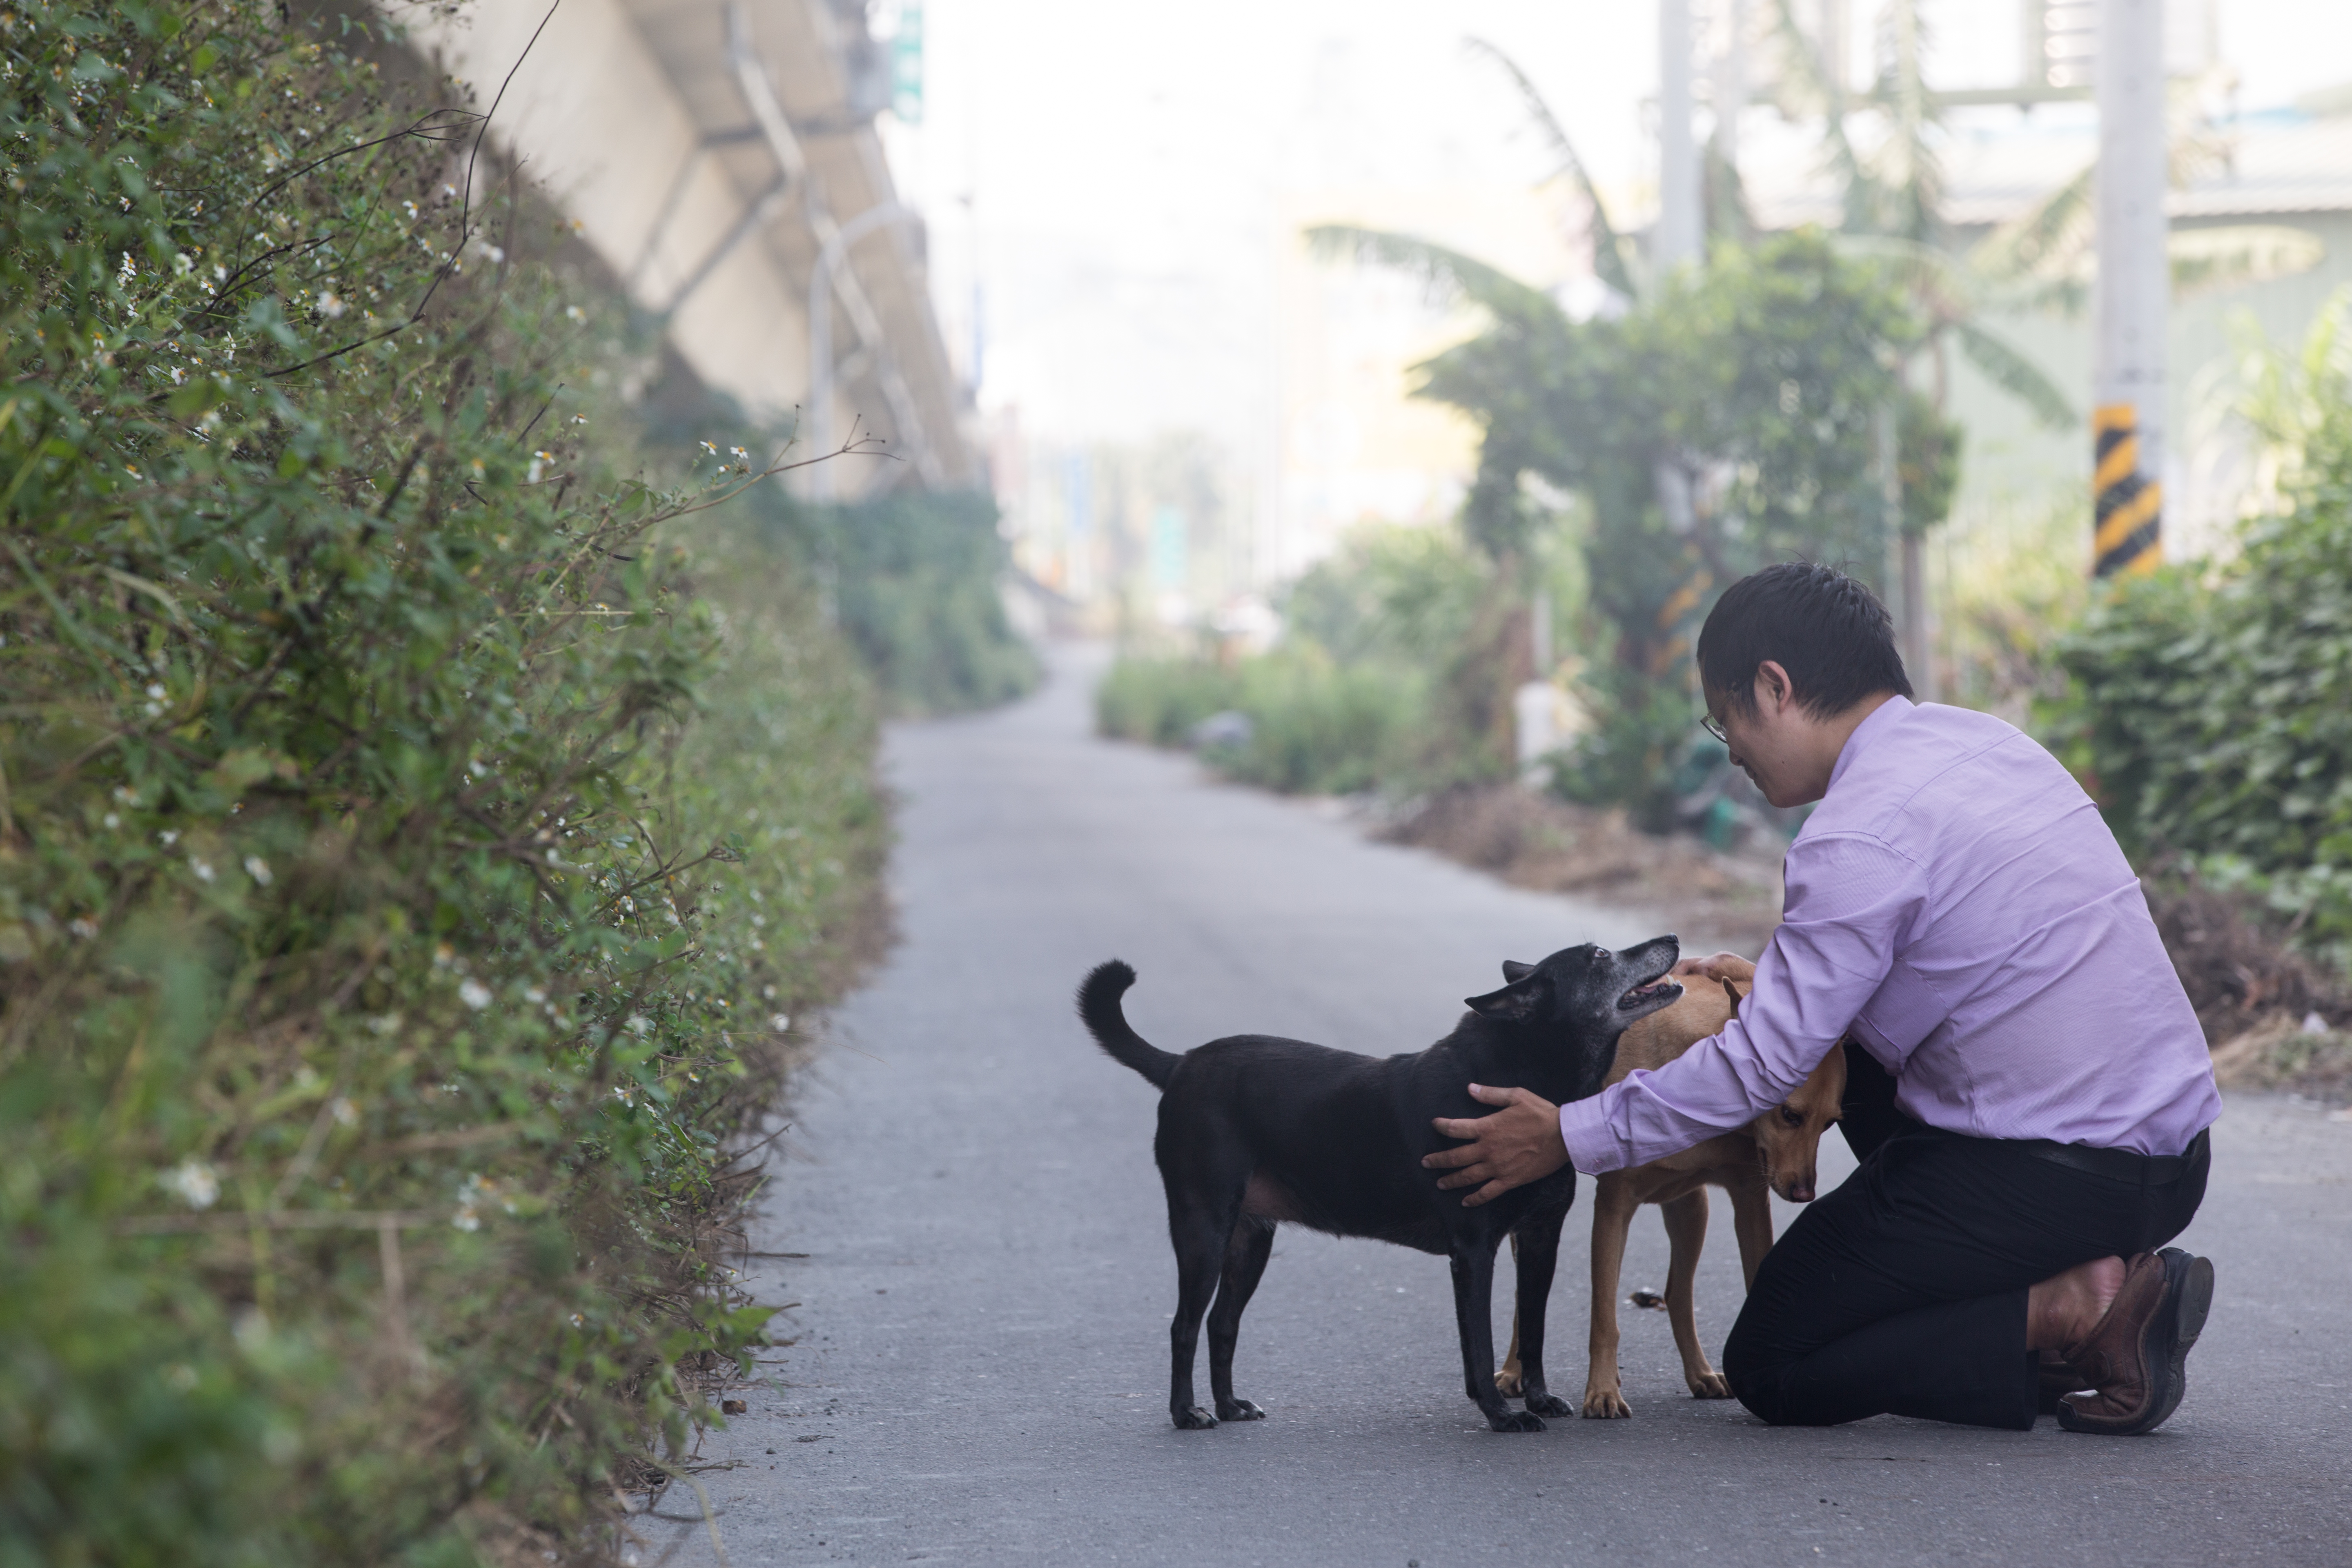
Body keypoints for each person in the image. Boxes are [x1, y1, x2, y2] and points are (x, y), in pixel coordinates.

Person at [1420, 562, 2220, 1434]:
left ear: (1774, 688)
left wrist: (1571, 1133)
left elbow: (1767, 1061)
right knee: (1833, 1056)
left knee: (1776, 1358)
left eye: (1724, 718)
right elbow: (1900, 982)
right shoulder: (1995, 747)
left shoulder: (1857, 833)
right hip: (2173, 1164)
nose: (1728, 746)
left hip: (2054, 1181)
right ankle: (2054, 1300)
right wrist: (1776, 988)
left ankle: (2072, 1310)